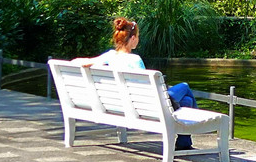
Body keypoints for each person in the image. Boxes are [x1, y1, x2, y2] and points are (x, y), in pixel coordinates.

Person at [73, 18, 195, 150]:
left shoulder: (109, 56)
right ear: (132, 38)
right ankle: (190, 130)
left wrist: (93, 62)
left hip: (121, 104)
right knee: (184, 86)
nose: (138, 40)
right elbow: (148, 90)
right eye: (137, 37)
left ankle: (184, 141)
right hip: (148, 107)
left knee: (186, 100)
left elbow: (77, 62)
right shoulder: (135, 60)